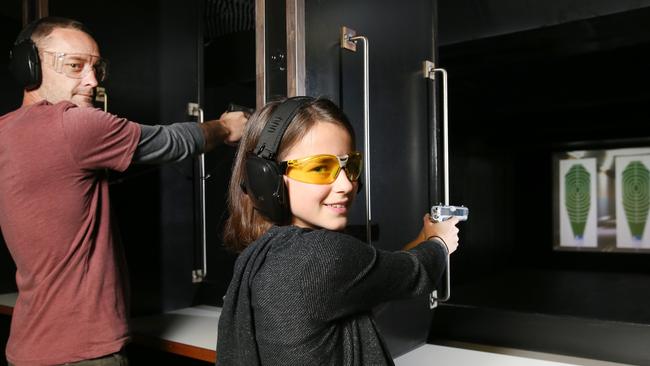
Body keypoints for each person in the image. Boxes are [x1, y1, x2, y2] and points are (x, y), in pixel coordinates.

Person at [0, 17, 247, 366]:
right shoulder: (73, 125)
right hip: (82, 353)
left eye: (96, 68)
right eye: (75, 66)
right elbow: (171, 141)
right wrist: (225, 127)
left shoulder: (6, 132)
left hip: (29, 347)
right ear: (30, 66)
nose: (92, 81)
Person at [216, 96, 460, 366]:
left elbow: (373, 284)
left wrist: (424, 237)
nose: (346, 185)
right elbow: (415, 273)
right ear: (265, 178)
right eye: (320, 168)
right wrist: (441, 241)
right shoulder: (322, 255)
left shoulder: (261, 256)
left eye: (349, 166)